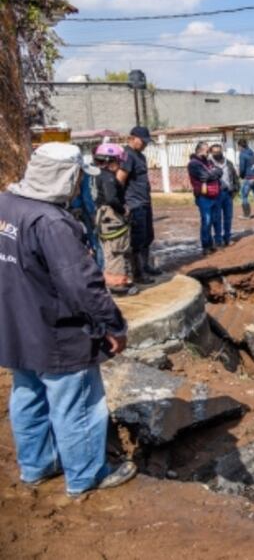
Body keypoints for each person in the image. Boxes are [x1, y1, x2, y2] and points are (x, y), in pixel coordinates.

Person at [0, 142, 137, 498]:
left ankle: (37, 466)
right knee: (76, 404)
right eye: (78, 177)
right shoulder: (52, 222)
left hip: (16, 327)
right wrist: (113, 324)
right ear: (66, 177)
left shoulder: (6, 206)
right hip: (57, 332)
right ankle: (86, 476)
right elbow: (82, 285)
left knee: (27, 396)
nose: (80, 185)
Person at [117, 126, 161, 285]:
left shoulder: (140, 156)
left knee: (148, 237)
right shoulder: (127, 155)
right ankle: (138, 274)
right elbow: (119, 180)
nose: (145, 145)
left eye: (147, 142)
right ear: (132, 138)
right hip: (134, 204)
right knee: (137, 240)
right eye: (143, 142)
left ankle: (146, 265)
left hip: (144, 202)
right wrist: (123, 204)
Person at [93, 142, 138, 296]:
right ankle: (118, 286)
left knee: (110, 251)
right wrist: (123, 210)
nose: (119, 165)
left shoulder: (95, 175)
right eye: (117, 161)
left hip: (102, 218)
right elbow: (111, 198)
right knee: (117, 251)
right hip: (111, 218)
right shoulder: (108, 178)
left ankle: (119, 281)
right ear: (108, 160)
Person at [187, 141, 223, 256]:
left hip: (214, 195)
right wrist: (213, 173)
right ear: (200, 150)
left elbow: (219, 171)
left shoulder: (207, 162)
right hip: (203, 197)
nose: (209, 153)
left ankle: (211, 244)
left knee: (213, 220)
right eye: (207, 150)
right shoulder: (193, 164)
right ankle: (205, 246)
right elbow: (205, 176)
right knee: (206, 221)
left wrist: (213, 173)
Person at [209, 143, 239, 247]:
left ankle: (227, 238)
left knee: (228, 217)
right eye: (215, 152)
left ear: (222, 151)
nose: (217, 153)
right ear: (211, 153)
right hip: (216, 194)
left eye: (219, 151)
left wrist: (235, 190)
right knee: (216, 218)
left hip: (228, 194)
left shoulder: (229, 163)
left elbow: (235, 177)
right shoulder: (209, 164)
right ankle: (218, 240)